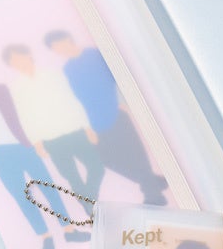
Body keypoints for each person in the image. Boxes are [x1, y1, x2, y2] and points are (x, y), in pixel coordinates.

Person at [0, 58, 89, 249]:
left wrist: (33, 138)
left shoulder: (1, 90)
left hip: (22, 145)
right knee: (21, 195)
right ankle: (45, 236)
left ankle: (69, 230)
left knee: (48, 187)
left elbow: (21, 113)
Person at [44, 30, 168, 205]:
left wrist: (124, 101)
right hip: (95, 121)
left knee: (136, 154)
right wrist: (87, 126)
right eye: (56, 49)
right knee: (106, 159)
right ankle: (150, 181)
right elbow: (77, 99)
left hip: (116, 112)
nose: (60, 50)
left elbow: (119, 76)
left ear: (68, 39)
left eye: (60, 44)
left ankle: (153, 195)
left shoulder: (95, 54)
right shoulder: (68, 69)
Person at [3, 44, 105, 210]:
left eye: (20, 57)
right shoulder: (17, 88)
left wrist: (87, 126)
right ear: (12, 65)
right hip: (51, 139)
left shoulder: (53, 75)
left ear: (28, 54)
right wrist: (37, 143)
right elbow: (25, 117)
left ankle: (91, 203)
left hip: (74, 130)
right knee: (72, 177)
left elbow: (72, 99)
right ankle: (91, 211)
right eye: (14, 61)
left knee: (97, 167)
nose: (19, 62)